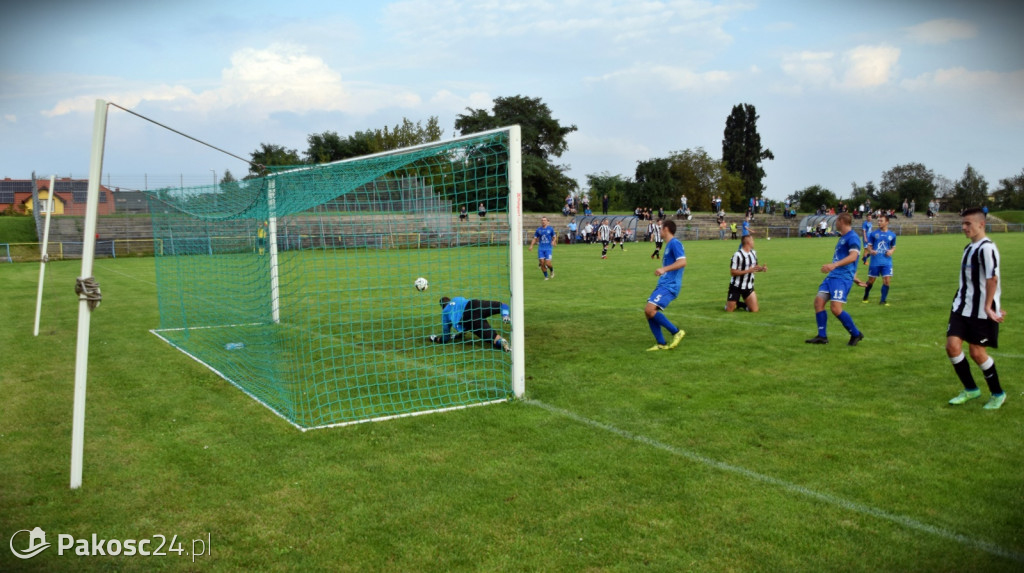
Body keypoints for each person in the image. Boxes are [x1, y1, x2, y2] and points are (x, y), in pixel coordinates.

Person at [946, 208, 1006, 409]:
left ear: (981, 224)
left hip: (980, 311)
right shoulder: (968, 248)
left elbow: (992, 279)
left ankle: (998, 393)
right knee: (952, 347)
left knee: (977, 353)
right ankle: (971, 389)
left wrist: (990, 306)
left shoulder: (987, 248)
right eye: (963, 223)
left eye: (968, 223)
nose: (964, 227)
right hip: (961, 306)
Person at [805, 212, 865, 346]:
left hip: (841, 278)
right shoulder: (843, 237)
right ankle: (822, 336)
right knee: (818, 302)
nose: (835, 223)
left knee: (836, 308)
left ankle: (856, 334)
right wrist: (854, 277)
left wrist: (834, 265)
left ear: (841, 221)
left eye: (837, 221)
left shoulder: (853, 237)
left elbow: (853, 257)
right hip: (833, 277)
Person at [644, 220, 687, 351]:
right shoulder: (668, 245)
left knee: (649, 310)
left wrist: (664, 269)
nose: (660, 230)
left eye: (661, 228)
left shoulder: (675, 243)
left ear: (666, 229)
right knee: (649, 312)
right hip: (664, 284)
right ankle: (661, 343)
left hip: (670, 285)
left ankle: (676, 332)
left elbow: (683, 262)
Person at [430, 296, 511, 352]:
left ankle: (504, 343)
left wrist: (436, 339)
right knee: (502, 305)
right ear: (449, 300)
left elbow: (446, 338)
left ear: (442, 307)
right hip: (474, 304)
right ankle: (505, 315)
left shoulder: (445, 313)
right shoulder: (456, 299)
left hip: (469, 318)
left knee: (494, 338)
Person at [861, 214, 896, 305]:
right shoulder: (874, 234)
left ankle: (883, 301)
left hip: (887, 262)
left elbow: (893, 247)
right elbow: (869, 246)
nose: (879, 222)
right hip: (875, 262)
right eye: (878, 221)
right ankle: (866, 296)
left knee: (887, 281)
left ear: (887, 222)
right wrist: (871, 251)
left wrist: (891, 251)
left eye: (881, 221)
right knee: (871, 281)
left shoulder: (892, 235)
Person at [726, 235, 766, 312]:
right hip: (736, 286)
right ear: (748, 242)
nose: (754, 242)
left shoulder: (753, 253)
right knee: (729, 310)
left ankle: (739, 304)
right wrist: (748, 271)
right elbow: (732, 272)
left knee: (754, 310)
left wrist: (761, 269)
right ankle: (733, 303)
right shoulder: (737, 255)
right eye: (752, 241)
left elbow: (754, 268)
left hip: (748, 286)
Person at [528, 216, 557, 280]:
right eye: (542, 220)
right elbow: (535, 239)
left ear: (547, 221)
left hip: (548, 248)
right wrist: (531, 246)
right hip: (541, 248)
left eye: (544, 220)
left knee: (548, 263)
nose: (543, 221)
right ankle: (546, 277)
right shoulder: (538, 230)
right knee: (541, 262)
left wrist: (553, 241)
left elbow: (554, 237)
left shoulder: (550, 229)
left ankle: (552, 270)